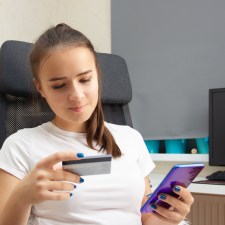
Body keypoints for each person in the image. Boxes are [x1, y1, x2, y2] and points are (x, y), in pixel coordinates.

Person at [0, 23, 193, 225]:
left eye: (85, 79)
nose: (76, 95)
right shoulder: (21, 145)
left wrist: (170, 216)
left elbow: (145, 217)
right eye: (59, 85)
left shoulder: (130, 138)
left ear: (97, 77)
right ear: (40, 88)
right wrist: (22, 198)